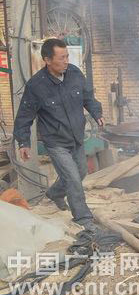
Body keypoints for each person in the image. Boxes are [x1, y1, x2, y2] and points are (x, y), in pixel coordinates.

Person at [13, 38, 103, 230]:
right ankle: (83, 219)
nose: (66, 61)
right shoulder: (36, 86)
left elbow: (88, 97)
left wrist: (97, 113)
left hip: (76, 137)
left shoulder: (74, 73)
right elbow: (24, 116)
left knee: (80, 172)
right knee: (72, 178)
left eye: (67, 56)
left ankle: (54, 193)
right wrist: (23, 142)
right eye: (61, 58)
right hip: (56, 141)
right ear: (47, 60)